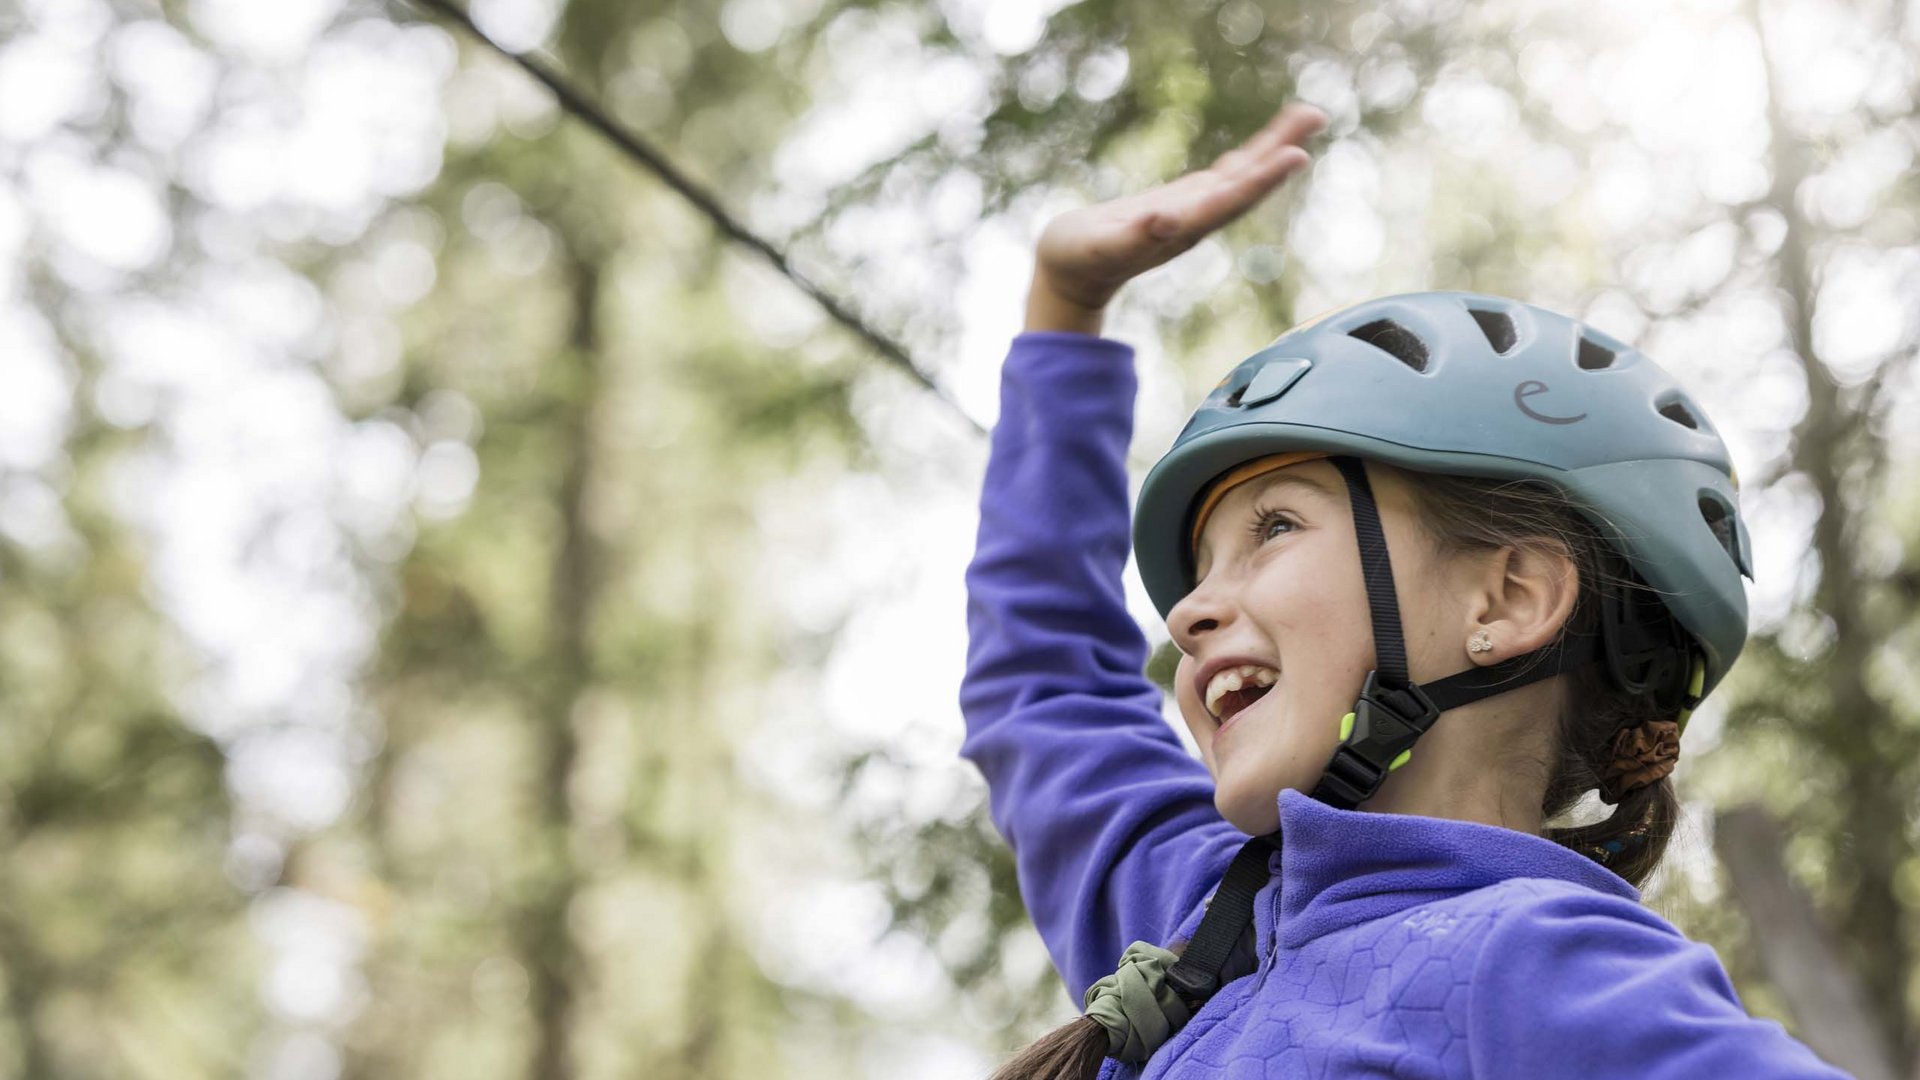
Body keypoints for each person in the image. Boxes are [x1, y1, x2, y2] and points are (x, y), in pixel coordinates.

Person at [958, 102, 1851, 1079]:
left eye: (1276, 527)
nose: (1186, 612)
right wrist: (1063, 309)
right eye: (1202, 566)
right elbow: (1045, 692)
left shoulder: (1542, 968)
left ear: (1505, 602)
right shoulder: (1199, 926)